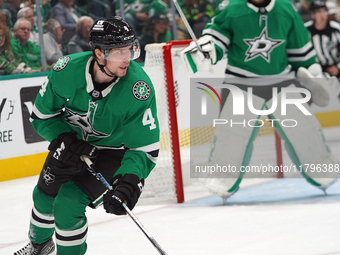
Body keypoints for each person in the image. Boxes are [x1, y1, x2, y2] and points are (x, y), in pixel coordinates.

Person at [14, 16, 159, 255]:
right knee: (43, 196)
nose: (128, 59)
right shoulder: (66, 70)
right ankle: (39, 245)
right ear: (99, 53)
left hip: (113, 152)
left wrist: (131, 179)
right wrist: (63, 138)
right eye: (119, 52)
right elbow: (40, 116)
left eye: (130, 49)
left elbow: (143, 147)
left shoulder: (138, 89)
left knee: (67, 203)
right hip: (72, 144)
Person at [181, 0, 340, 200]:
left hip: (281, 79)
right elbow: (215, 37)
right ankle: (222, 180)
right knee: (231, 136)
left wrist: (313, 74)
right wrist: (207, 50)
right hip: (242, 82)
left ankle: (323, 171)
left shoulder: (285, 9)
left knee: (304, 130)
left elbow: (300, 50)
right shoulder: (232, 8)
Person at [305, 0, 340, 77]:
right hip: (315, 70)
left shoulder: (336, 29)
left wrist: (338, 67)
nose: (322, 15)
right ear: (312, 15)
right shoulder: (305, 30)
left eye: (324, 11)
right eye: (318, 12)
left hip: (335, 67)